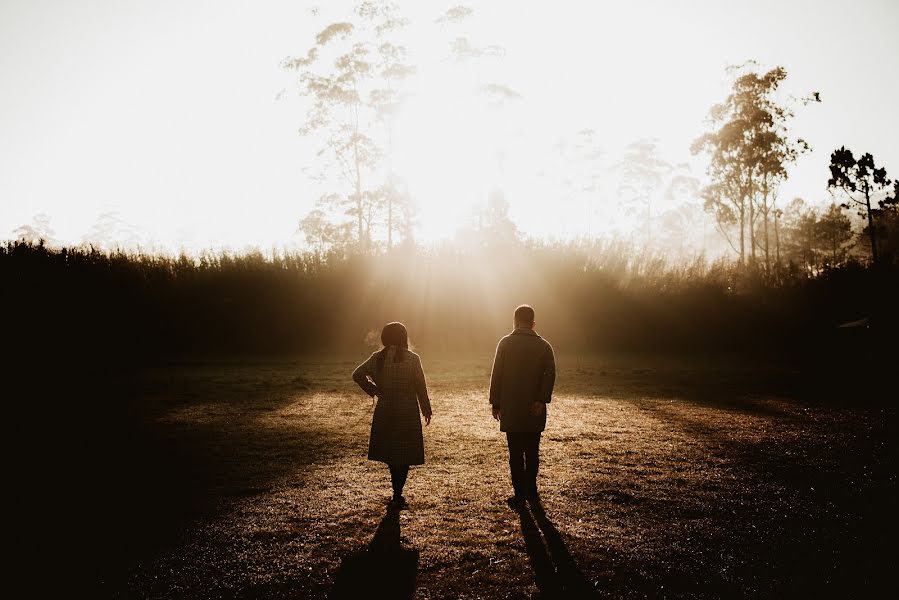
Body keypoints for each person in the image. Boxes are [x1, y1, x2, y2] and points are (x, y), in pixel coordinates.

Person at [352, 322, 433, 509]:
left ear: (384, 338)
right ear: (403, 337)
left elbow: (357, 374)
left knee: (391, 452)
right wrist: (426, 410)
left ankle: (395, 492)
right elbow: (421, 386)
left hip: (385, 410)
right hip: (407, 411)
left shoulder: (377, 358)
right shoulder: (413, 358)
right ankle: (398, 493)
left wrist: (374, 390)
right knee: (403, 453)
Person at [489, 304, 556, 508]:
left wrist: (495, 402)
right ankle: (532, 491)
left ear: (515, 321)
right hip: (534, 408)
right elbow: (550, 375)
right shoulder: (544, 346)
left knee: (515, 454)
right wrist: (541, 400)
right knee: (533, 451)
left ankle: (519, 494)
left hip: (511, 407)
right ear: (533, 323)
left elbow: (497, 373)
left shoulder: (506, 343)